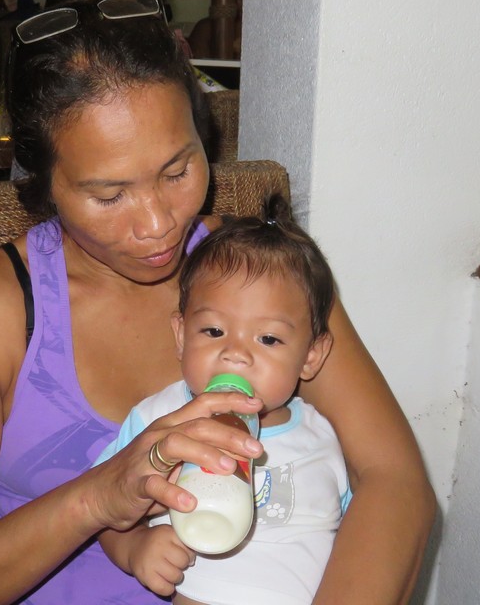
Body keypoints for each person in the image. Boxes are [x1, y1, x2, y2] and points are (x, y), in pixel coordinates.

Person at [0, 0, 435, 604]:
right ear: (43, 185)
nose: (159, 224)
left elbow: (394, 480)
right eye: (109, 195)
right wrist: (97, 497)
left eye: (177, 171)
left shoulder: (265, 275)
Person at [94, 196, 347, 604]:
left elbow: (355, 529)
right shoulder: (158, 419)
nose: (236, 354)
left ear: (310, 356)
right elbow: (104, 509)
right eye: (213, 332)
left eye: (268, 339)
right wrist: (135, 547)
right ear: (181, 335)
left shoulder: (322, 437)